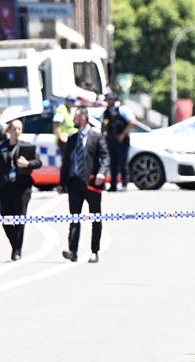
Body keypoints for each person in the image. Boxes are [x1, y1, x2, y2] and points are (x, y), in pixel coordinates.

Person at [58, 107, 110, 264]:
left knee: (95, 218)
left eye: (75, 117)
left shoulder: (97, 137)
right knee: (74, 217)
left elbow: (105, 157)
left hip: (92, 183)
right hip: (74, 183)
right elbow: (66, 162)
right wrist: (61, 183)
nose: (73, 120)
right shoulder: (72, 138)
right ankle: (73, 250)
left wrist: (102, 173)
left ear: (84, 118)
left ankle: (94, 251)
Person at [0, 118, 42, 261]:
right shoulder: (1, 147)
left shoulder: (26, 147)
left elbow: (38, 163)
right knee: (6, 217)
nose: (17, 132)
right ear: (9, 131)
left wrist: (27, 163)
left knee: (19, 218)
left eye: (19, 129)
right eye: (14, 129)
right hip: (5, 187)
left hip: (22, 187)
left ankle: (17, 249)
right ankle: (14, 243)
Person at [102, 91, 137, 191]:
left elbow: (132, 122)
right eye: (107, 99)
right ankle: (113, 185)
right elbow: (104, 125)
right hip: (111, 141)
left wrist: (122, 134)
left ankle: (124, 185)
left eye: (110, 99)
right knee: (113, 164)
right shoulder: (106, 112)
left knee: (123, 163)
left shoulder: (122, 109)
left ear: (114, 99)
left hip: (122, 141)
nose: (108, 101)